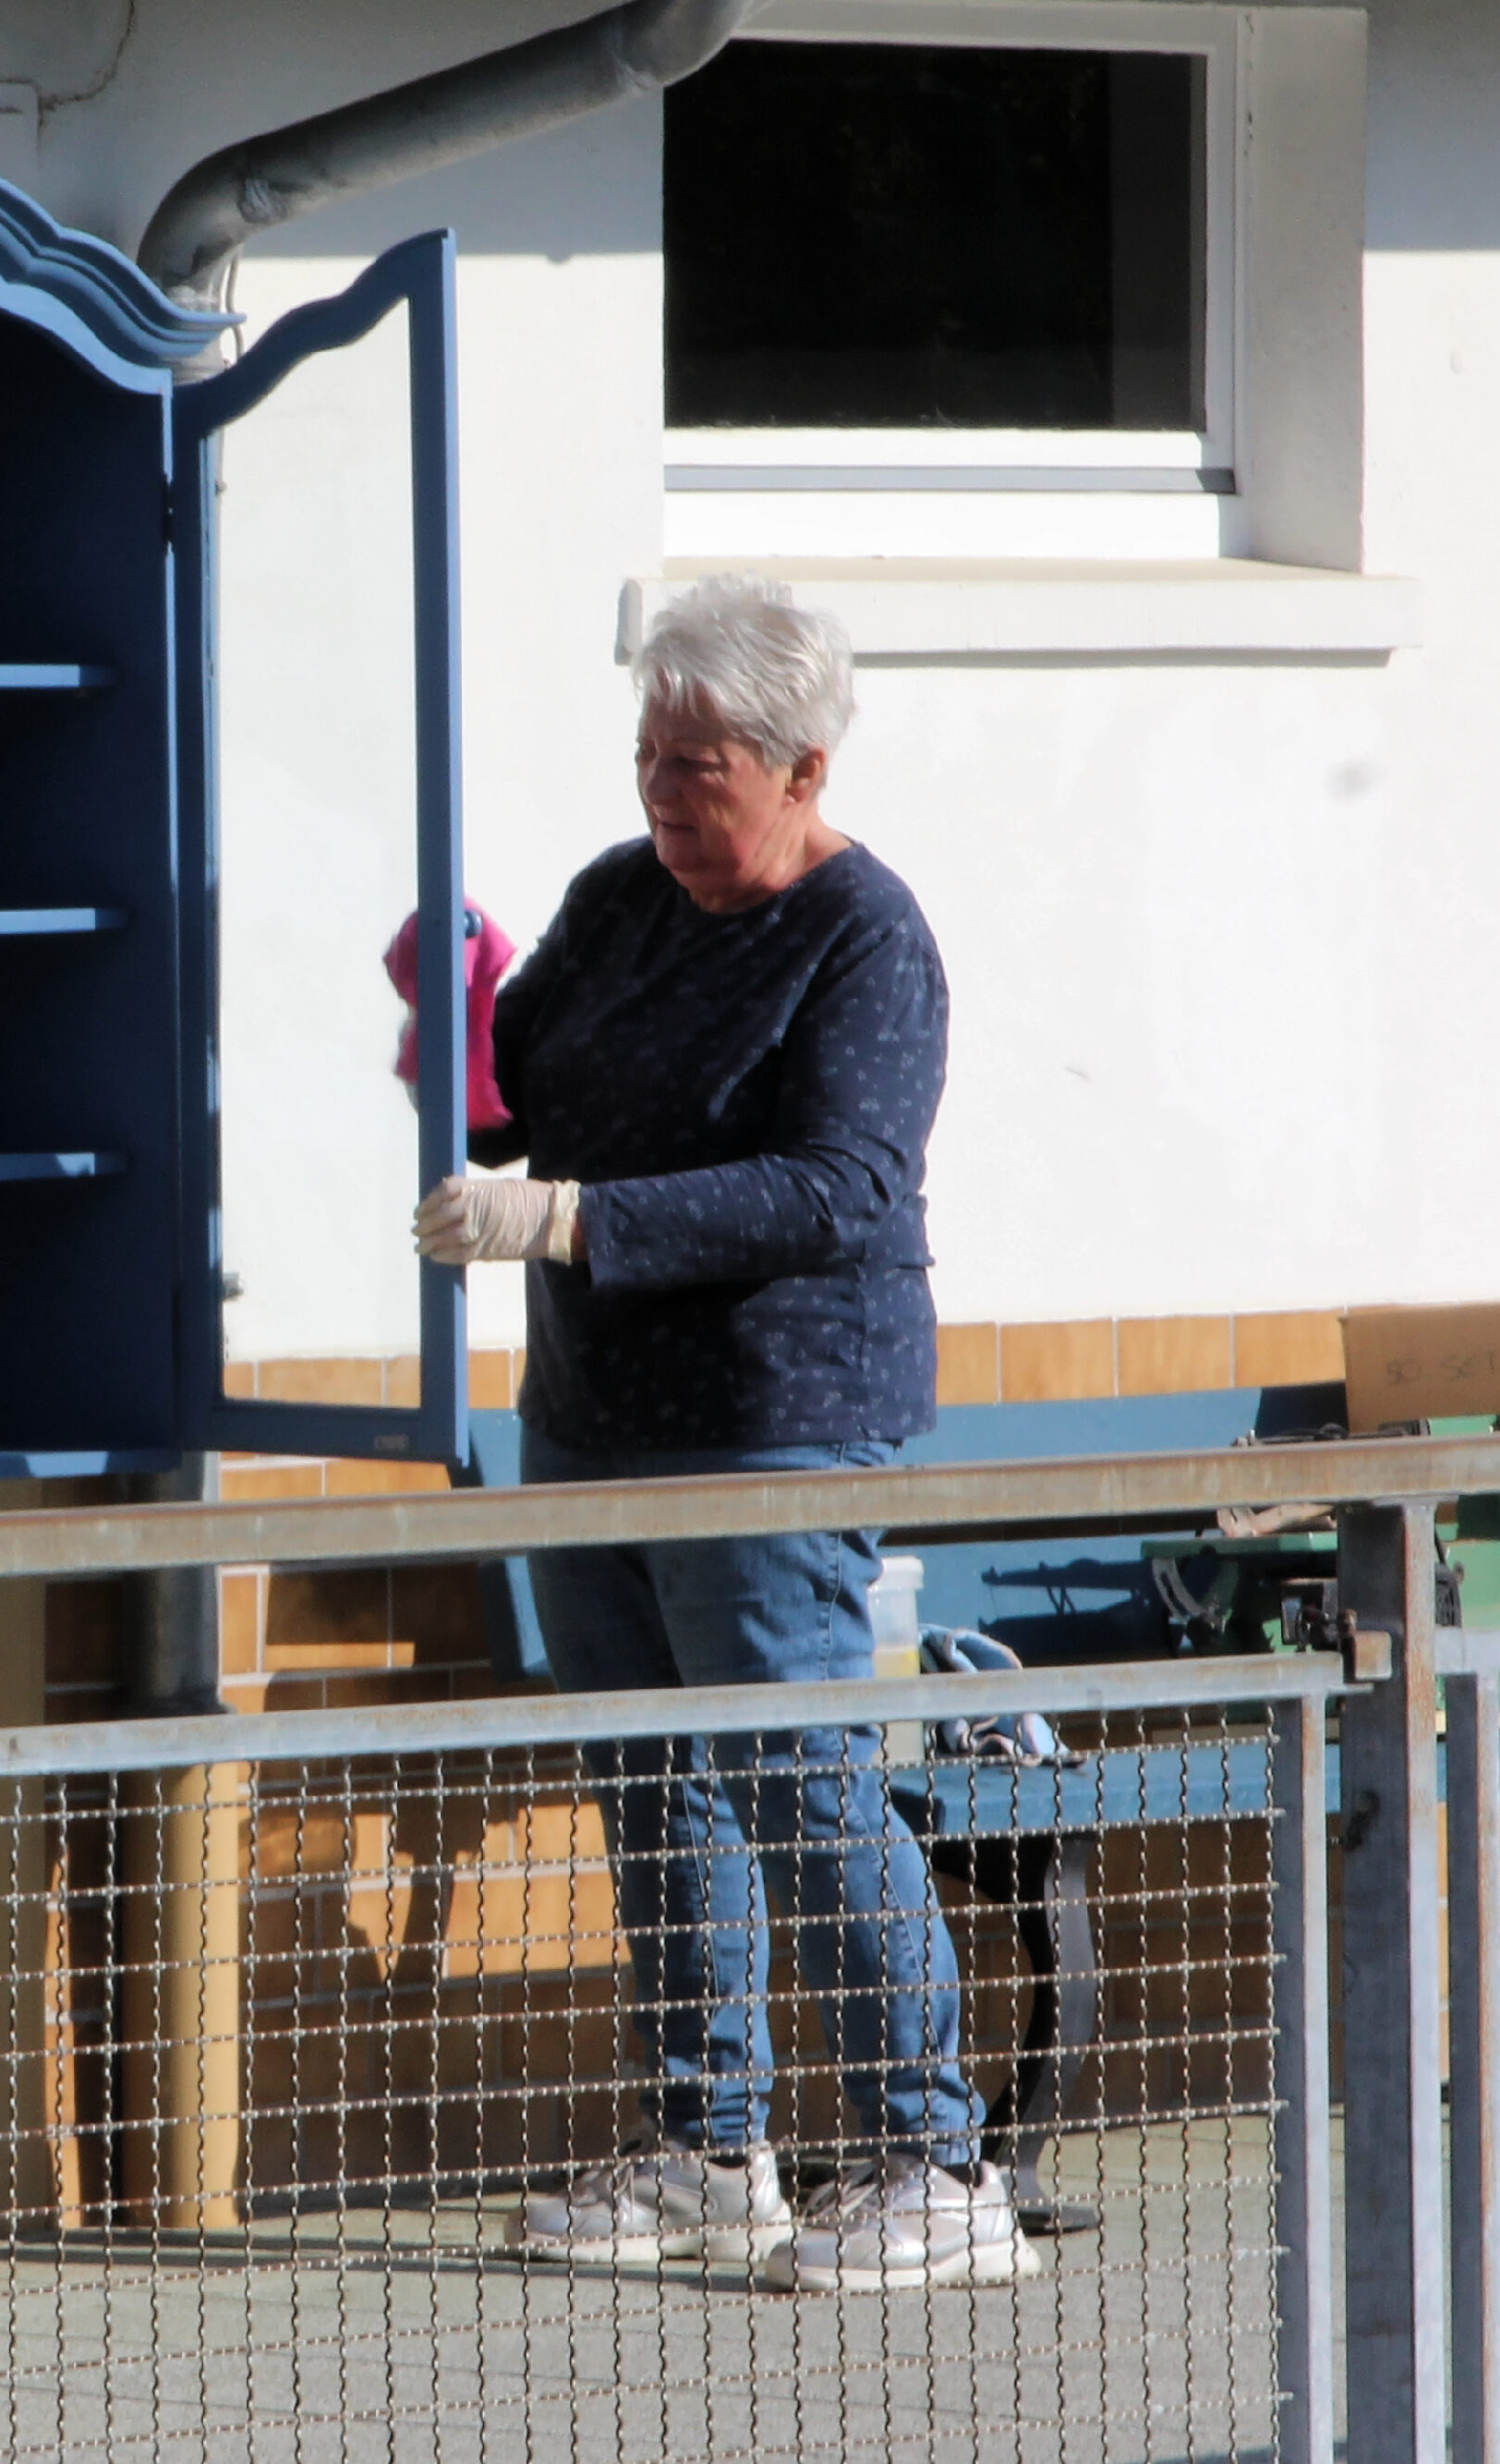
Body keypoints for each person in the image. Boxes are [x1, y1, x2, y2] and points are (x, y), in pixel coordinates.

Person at [412, 572, 1030, 2296]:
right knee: (652, 1780)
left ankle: (938, 2163)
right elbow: (515, 1090)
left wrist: (570, 1221)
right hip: (593, 1414)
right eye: (650, 758)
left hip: (775, 1421)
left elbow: (838, 1187)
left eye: (702, 769)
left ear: (804, 768)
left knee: (800, 1780)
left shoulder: (866, 938)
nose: (665, 799)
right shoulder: (622, 897)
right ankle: (711, 2147)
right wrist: (448, 1015)